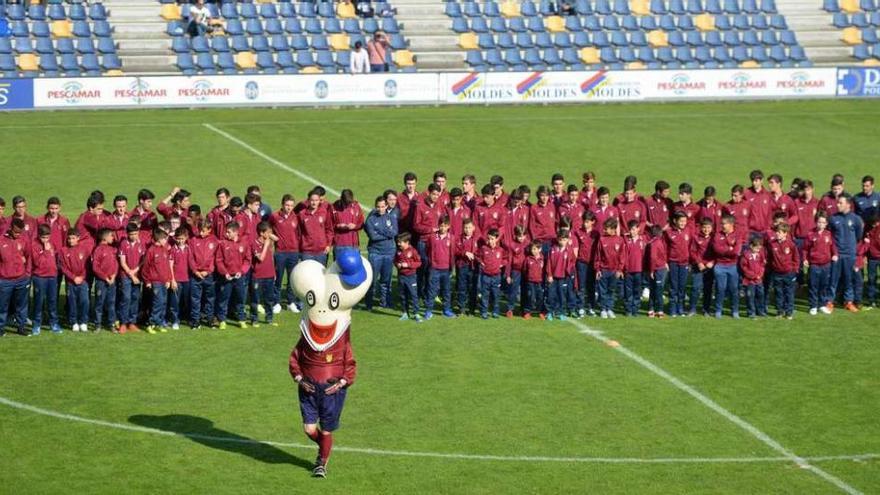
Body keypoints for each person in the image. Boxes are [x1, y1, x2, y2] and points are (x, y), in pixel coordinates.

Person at [828, 195, 863, 312]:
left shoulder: (855, 219)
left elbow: (858, 236)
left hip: (850, 254)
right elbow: (830, 235)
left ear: (848, 204)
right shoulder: (833, 218)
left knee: (849, 279)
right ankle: (830, 301)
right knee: (833, 279)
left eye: (840, 203)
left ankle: (848, 302)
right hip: (837, 254)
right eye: (838, 202)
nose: (837, 205)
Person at [364, 196, 397, 311]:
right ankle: (369, 303)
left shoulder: (391, 217)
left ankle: (384, 302)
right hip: (375, 253)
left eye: (382, 206)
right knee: (372, 280)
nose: (380, 209)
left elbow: (394, 232)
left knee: (386, 280)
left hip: (389, 252)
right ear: (375, 206)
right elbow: (373, 236)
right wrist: (386, 233)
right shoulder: (371, 219)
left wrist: (380, 231)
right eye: (378, 207)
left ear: (386, 206)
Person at [215, 221, 250, 329]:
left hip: (240, 277)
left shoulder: (244, 243)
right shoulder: (223, 244)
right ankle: (222, 320)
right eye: (226, 232)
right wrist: (225, 273)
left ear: (236, 232)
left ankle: (241, 319)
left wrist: (242, 271)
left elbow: (247, 260)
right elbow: (219, 260)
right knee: (223, 299)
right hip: (226, 277)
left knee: (240, 298)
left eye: (229, 232)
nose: (226, 234)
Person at [270, 195, 301, 314]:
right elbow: (267, 228)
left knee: (291, 279)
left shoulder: (295, 217)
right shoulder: (275, 216)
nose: (289, 208)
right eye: (287, 205)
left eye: (291, 206)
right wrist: (273, 236)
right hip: (280, 253)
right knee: (278, 278)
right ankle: (276, 303)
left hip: (293, 252)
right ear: (282, 204)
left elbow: (299, 233)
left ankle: (290, 302)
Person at [803, 212, 837, 315]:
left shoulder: (829, 234)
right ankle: (813, 306)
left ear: (826, 224)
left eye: (823, 222)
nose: (821, 224)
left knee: (824, 285)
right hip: (814, 264)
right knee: (813, 285)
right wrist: (805, 259)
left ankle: (822, 304)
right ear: (816, 222)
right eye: (819, 222)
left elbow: (833, 247)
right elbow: (805, 249)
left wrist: (835, 254)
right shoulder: (810, 234)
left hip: (826, 264)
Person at [142, 229, 174, 334]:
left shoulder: (164, 250)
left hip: (164, 282)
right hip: (155, 282)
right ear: (159, 239)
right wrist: (147, 281)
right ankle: (151, 324)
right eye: (165, 238)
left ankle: (159, 323)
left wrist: (169, 279)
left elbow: (167, 267)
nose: (166, 240)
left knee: (163, 303)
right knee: (157, 303)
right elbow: (146, 267)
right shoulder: (151, 250)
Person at [188, 219, 218, 329]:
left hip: (209, 275)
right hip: (196, 275)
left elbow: (214, 258)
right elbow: (190, 258)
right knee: (195, 298)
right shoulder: (193, 240)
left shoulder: (214, 241)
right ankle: (195, 320)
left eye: (203, 231)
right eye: (200, 230)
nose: (201, 233)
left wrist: (208, 271)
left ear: (209, 230)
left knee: (210, 298)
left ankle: (210, 319)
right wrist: (195, 271)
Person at [31, 224, 61, 335]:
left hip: (52, 276)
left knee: (52, 301)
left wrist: (55, 270)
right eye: (43, 237)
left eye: (47, 237)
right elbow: (37, 262)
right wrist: (45, 251)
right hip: (40, 277)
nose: (45, 240)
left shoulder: (51, 244)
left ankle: (54, 324)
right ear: (39, 236)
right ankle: (36, 325)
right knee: (39, 301)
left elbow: (54, 258)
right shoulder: (34, 245)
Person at [711, 215, 742, 318]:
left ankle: (735, 311)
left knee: (734, 289)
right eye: (722, 224)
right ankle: (718, 310)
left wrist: (725, 249)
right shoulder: (717, 235)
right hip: (720, 265)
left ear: (731, 224)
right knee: (720, 288)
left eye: (724, 224)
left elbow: (736, 251)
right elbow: (716, 249)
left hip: (733, 266)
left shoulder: (737, 235)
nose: (722, 226)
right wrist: (729, 249)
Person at [117, 223, 146, 333]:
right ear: (127, 234)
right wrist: (131, 274)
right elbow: (122, 262)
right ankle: (123, 323)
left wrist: (135, 272)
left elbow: (143, 260)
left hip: (137, 275)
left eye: (136, 233)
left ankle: (132, 322)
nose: (134, 236)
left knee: (135, 298)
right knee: (126, 298)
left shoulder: (141, 243)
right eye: (131, 234)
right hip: (126, 275)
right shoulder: (124, 244)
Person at [767, 223, 799, 319]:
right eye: (776, 232)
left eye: (779, 232)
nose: (777, 234)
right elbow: (769, 257)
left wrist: (794, 270)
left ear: (785, 233)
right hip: (777, 273)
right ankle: (779, 312)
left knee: (789, 293)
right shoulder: (772, 244)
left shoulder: (791, 244)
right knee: (778, 293)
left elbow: (796, 258)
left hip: (789, 273)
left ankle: (789, 312)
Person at [425, 216, 455, 319]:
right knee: (432, 290)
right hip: (435, 268)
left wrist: (451, 267)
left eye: (445, 226)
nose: (443, 228)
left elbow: (452, 253)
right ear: (438, 226)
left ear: (448, 226)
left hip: (446, 269)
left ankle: (446, 310)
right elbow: (428, 250)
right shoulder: (432, 237)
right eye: (441, 226)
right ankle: (428, 310)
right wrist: (432, 263)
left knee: (446, 291)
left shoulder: (452, 238)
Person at [60, 228, 90, 333]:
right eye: (69, 239)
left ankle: (83, 322)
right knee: (72, 303)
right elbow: (63, 267)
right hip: (71, 282)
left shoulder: (84, 249)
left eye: (73, 238)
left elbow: (87, 266)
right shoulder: (63, 250)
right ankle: (74, 322)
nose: (71, 241)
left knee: (84, 301)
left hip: (83, 281)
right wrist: (73, 278)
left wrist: (81, 277)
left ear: (78, 238)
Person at [595, 218, 624, 319]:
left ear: (613, 229)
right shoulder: (602, 240)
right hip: (604, 270)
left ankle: (610, 309)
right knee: (603, 291)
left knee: (611, 291)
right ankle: (603, 309)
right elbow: (598, 256)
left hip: (614, 271)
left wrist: (620, 270)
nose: (604, 230)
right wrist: (598, 269)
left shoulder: (620, 240)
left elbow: (622, 256)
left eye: (606, 228)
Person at [250, 222, 277, 327]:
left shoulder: (269, 241)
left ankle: (269, 319)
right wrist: (266, 245)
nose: (270, 234)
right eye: (268, 232)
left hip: (269, 275)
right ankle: (254, 319)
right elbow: (261, 258)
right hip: (258, 276)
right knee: (255, 300)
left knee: (269, 299)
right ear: (261, 233)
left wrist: (273, 272)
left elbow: (277, 239)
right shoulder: (254, 244)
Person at [91, 228, 119, 332]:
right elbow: (95, 267)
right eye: (111, 235)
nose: (113, 238)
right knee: (99, 303)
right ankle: (97, 325)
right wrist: (105, 277)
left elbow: (116, 264)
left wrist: (114, 275)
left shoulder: (112, 249)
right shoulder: (98, 250)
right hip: (101, 282)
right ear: (104, 238)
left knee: (111, 303)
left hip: (112, 281)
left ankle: (111, 324)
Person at [664, 211, 690, 317]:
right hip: (673, 263)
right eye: (681, 221)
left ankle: (681, 309)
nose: (683, 223)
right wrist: (665, 262)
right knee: (673, 286)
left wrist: (690, 262)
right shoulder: (669, 232)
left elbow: (691, 247)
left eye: (685, 221)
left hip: (684, 263)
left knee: (682, 287)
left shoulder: (688, 231)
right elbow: (664, 248)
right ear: (675, 221)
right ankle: (672, 309)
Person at [298, 189, 334, 266]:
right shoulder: (302, 214)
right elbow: (298, 232)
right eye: (312, 200)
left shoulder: (324, 212)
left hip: (321, 251)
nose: (314, 203)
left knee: (321, 275)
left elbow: (329, 230)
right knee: (307, 275)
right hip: (306, 252)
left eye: (316, 200)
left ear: (319, 201)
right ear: (308, 201)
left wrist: (328, 245)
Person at [572, 211, 597, 317]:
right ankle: (580, 307)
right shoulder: (578, 232)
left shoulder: (596, 234)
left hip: (592, 264)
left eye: (587, 222)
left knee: (591, 286)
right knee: (581, 286)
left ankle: (591, 307)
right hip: (581, 263)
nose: (585, 224)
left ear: (593, 222)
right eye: (584, 221)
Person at [688, 218, 715, 316]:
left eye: (708, 227)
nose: (706, 229)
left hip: (709, 267)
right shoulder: (696, 237)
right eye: (704, 227)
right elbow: (692, 251)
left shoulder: (714, 238)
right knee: (695, 288)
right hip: (698, 267)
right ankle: (692, 309)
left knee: (708, 289)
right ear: (700, 228)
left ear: (712, 228)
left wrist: (712, 262)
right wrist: (699, 262)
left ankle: (706, 310)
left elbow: (718, 253)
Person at [394, 232, 422, 322]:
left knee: (413, 295)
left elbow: (419, 262)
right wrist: (397, 264)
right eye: (398, 242)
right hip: (401, 276)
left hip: (411, 277)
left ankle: (416, 313)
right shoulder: (398, 251)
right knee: (403, 295)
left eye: (400, 242)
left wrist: (408, 265)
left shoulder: (413, 251)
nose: (398, 244)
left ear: (407, 242)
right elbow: (395, 260)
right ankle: (405, 313)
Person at [478, 229, 505, 319]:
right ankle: (484, 312)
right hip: (486, 276)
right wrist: (481, 262)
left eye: (492, 239)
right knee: (485, 295)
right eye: (489, 239)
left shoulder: (500, 250)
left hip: (496, 276)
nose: (490, 241)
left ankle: (495, 312)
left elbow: (506, 259)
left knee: (496, 295)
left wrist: (501, 264)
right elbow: (478, 256)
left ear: (497, 239)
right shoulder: (483, 248)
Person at [503, 225, 529, 318]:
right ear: (515, 235)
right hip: (515, 271)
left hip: (526, 271)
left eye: (523, 235)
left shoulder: (528, 244)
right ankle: (510, 309)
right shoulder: (512, 245)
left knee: (525, 291)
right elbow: (509, 260)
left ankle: (525, 310)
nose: (521, 238)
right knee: (513, 291)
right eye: (519, 236)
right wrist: (508, 274)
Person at [622, 220, 647, 317]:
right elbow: (623, 255)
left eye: (633, 229)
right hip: (628, 270)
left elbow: (645, 255)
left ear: (638, 229)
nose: (632, 231)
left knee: (637, 290)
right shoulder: (626, 240)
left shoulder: (642, 241)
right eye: (630, 229)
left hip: (639, 270)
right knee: (628, 291)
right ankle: (628, 309)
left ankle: (635, 309)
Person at [455, 219, 479, 316]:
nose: (467, 230)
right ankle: (461, 308)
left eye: (469, 227)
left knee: (473, 288)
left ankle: (472, 309)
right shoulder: (458, 238)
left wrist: (475, 256)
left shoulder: (478, 239)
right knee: (461, 287)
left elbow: (482, 251)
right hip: (462, 266)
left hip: (473, 267)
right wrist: (465, 253)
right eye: (465, 228)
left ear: (473, 228)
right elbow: (455, 250)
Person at [169, 227, 191, 330]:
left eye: (182, 238)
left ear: (186, 238)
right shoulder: (172, 250)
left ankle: (186, 318)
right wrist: (172, 279)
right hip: (177, 280)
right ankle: (175, 320)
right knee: (175, 302)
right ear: (175, 238)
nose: (180, 241)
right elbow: (170, 265)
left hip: (187, 279)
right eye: (178, 238)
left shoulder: (188, 248)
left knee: (187, 300)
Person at [332, 190, 364, 260]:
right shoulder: (334, 207)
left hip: (354, 245)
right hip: (339, 244)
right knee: (338, 269)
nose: (347, 206)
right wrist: (338, 226)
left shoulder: (356, 207)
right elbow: (328, 225)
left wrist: (355, 226)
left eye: (349, 204)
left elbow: (361, 223)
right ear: (341, 199)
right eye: (345, 204)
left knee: (354, 268)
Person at [739, 238, 767, 318]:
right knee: (750, 296)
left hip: (759, 280)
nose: (758, 250)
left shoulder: (760, 254)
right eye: (757, 248)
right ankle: (751, 312)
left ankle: (760, 311)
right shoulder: (745, 255)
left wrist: (760, 274)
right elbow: (744, 268)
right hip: (749, 281)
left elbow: (762, 265)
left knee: (760, 295)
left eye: (759, 248)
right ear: (751, 246)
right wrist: (754, 275)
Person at [647, 225, 668, 318]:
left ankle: (653, 309)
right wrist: (652, 270)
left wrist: (651, 270)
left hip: (658, 269)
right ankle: (658, 310)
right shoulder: (657, 242)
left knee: (655, 289)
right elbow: (653, 257)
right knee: (658, 289)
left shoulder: (653, 242)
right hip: (658, 269)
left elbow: (655, 257)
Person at [523, 241, 545, 320]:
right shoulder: (528, 259)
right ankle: (527, 312)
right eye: (532, 249)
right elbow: (525, 270)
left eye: (535, 249)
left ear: (540, 249)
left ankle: (541, 312)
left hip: (539, 282)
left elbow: (544, 270)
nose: (533, 251)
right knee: (530, 297)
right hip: (530, 282)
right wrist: (529, 277)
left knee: (540, 297)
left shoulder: (543, 259)